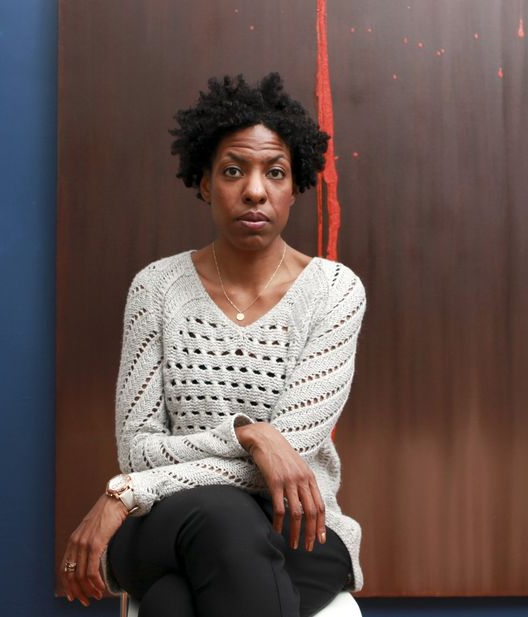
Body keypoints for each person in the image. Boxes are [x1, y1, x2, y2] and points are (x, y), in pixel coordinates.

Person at [57, 73, 366, 617]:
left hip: (296, 530)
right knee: (221, 516)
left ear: (295, 187)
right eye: (233, 171)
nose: (255, 190)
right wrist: (251, 435)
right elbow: (138, 449)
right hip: (167, 524)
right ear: (204, 183)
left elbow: (288, 458)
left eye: (275, 172)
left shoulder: (334, 292)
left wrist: (126, 492)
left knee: (174, 601)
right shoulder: (156, 289)